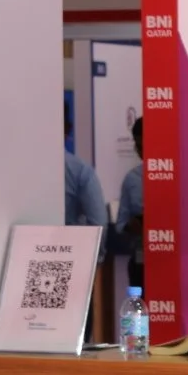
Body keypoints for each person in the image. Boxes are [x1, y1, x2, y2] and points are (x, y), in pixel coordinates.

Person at [62, 109, 108, 239]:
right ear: (68, 129)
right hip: (69, 252)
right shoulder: (79, 170)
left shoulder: (17, 165)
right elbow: (99, 225)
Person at [115, 117, 145, 287]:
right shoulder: (132, 179)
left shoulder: (183, 175)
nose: (142, 153)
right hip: (142, 262)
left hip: (177, 261)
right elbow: (120, 224)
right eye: (139, 147)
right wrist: (130, 226)